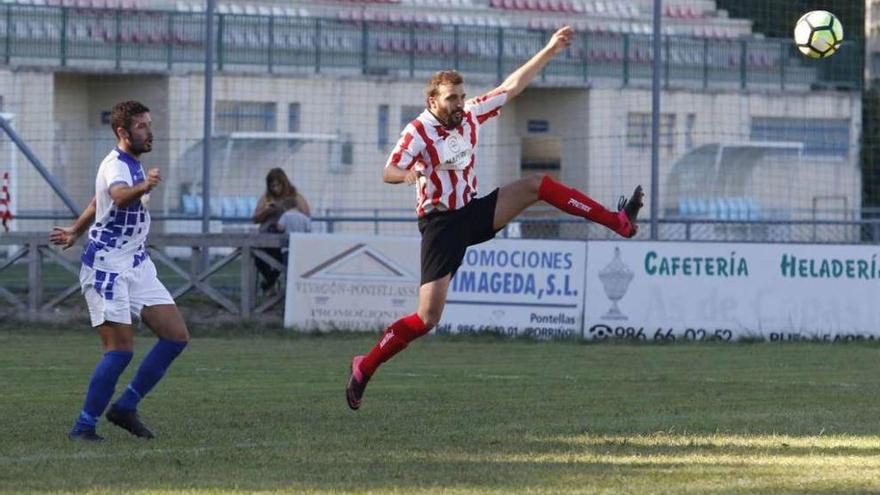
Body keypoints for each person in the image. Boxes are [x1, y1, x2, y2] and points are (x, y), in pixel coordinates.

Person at [346, 26, 644, 410]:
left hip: (473, 212)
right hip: (441, 225)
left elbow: (513, 85)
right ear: (433, 100)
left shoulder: (469, 117)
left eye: (461, 97)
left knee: (535, 185)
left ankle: (617, 221)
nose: (459, 103)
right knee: (427, 317)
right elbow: (389, 169)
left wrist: (550, 49)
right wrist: (410, 175)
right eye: (451, 98)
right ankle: (364, 366)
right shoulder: (417, 131)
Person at [50, 101, 189, 441]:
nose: (149, 131)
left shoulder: (133, 165)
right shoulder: (117, 165)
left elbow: (100, 202)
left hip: (137, 262)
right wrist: (144, 187)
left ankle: (126, 406)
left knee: (175, 337)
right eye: (141, 126)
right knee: (120, 351)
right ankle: (83, 427)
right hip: (107, 267)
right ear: (122, 133)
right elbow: (118, 195)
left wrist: (75, 229)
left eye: (149, 124)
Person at [252, 168, 310, 292]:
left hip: (287, 240)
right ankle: (271, 283)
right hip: (267, 237)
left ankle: (270, 284)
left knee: (282, 259)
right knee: (257, 256)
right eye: (272, 186)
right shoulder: (266, 197)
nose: (275, 189)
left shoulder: (295, 197)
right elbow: (255, 218)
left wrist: (291, 213)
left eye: (278, 185)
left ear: (284, 183)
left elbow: (306, 215)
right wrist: (266, 211)